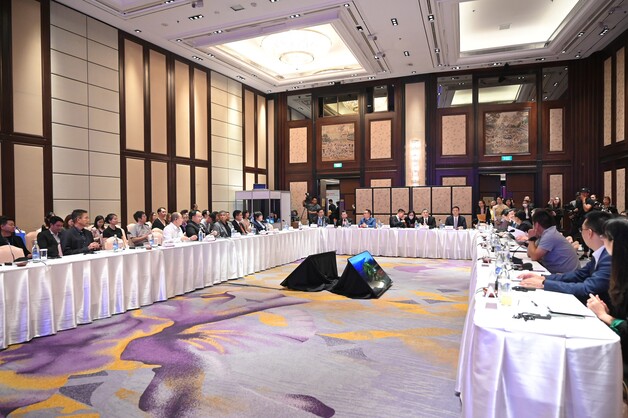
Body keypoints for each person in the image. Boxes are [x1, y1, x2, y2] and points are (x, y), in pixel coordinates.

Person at [520, 211, 613, 304]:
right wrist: (544, 278)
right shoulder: (601, 253)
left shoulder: (608, 258)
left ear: (589, 233)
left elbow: (587, 288)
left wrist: (544, 283)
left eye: (581, 230)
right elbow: (579, 275)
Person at [586, 217, 628, 385]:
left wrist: (605, 316)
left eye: (605, 237)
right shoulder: (619, 268)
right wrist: (607, 312)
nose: (602, 240)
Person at [526, 209, 580, 274]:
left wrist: (531, 239)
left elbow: (534, 257)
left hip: (567, 276)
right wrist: (533, 239)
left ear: (536, 225)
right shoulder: (547, 233)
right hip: (562, 273)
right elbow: (530, 254)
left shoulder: (550, 235)